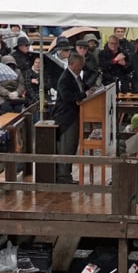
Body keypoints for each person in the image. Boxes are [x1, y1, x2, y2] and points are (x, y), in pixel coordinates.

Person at [52, 53, 87, 184]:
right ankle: (62, 175)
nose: (81, 68)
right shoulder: (65, 78)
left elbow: (83, 88)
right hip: (66, 116)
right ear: (71, 64)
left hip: (74, 115)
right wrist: (83, 95)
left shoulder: (77, 77)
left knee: (72, 146)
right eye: (79, 66)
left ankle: (67, 173)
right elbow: (66, 96)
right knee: (66, 146)